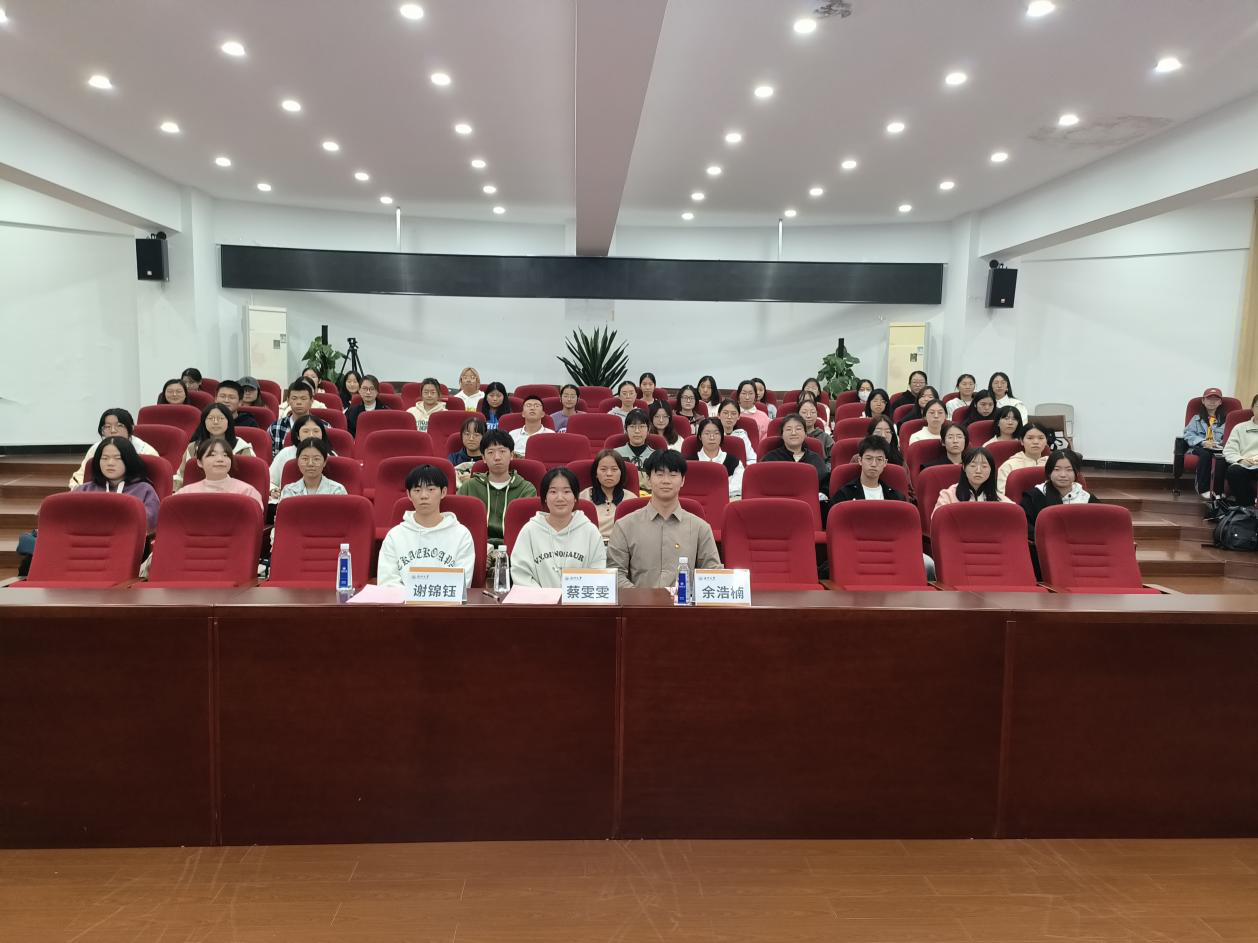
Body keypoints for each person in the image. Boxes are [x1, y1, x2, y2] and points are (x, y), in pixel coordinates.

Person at [607, 450, 721, 589]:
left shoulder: (700, 528)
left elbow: (713, 574)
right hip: (639, 601)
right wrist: (641, 598)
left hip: (684, 602)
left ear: (683, 480)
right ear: (648, 479)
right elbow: (615, 574)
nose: (666, 481)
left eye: (673, 475)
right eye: (659, 474)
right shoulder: (625, 526)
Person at [378, 464, 476, 589]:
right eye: (417, 490)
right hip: (402, 602)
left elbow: (461, 584)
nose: (424, 496)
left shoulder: (461, 535)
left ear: (443, 492)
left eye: (431, 489)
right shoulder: (395, 536)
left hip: (446, 601)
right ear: (409, 495)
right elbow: (387, 583)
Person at [510, 468, 607, 587]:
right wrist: (544, 597)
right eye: (553, 492)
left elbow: (598, 573)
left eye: (566, 491)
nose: (560, 498)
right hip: (538, 598)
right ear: (545, 497)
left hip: (579, 598)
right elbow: (521, 574)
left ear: (575, 497)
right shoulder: (530, 530)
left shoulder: (590, 531)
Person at [457, 429, 536, 545]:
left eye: (502, 451)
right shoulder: (469, 487)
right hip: (475, 546)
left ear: (512, 455)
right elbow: (458, 526)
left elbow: (529, 531)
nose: (497, 457)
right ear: (483, 458)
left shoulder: (526, 490)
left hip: (514, 547)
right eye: (490, 452)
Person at [74, 437, 160, 532]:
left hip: (129, 539)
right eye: (105, 458)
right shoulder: (84, 490)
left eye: (118, 458)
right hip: (88, 538)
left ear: (129, 460)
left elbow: (150, 524)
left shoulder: (144, 490)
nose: (110, 463)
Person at [1021, 448, 1096, 541]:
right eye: (1057, 469)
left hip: (1080, 545)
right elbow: (1024, 526)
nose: (1063, 475)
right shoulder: (1034, 496)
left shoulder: (1087, 498)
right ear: (1049, 472)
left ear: (1076, 473)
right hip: (1045, 546)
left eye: (1069, 470)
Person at [68, 408, 156, 488]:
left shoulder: (145, 451)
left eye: (119, 425)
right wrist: (80, 489)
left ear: (131, 428)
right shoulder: (95, 449)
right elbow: (80, 476)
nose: (113, 430)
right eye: (107, 426)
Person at [175, 403, 255, 490]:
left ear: (229, 422)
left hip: (235, 492)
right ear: (204, 422)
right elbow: (181, 476)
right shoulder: (193, 447)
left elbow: (251, 477)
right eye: (210, 418)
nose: (215, 422)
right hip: (199, 492)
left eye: (220, 418)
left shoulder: (242, 448)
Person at [179, 437, 264, 510]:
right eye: (212, 455)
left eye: (225, 455)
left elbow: (254, 521)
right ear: (200, 462)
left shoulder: (247, 492)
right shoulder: (186, 493)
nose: (220, 459)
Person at [932, 447, 1011, 515]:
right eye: (973, 466)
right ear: (964, 467)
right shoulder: (948, 496)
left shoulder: (999, 499)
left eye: (984, 466)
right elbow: (938, 520)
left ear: (991, 470)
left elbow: (1014, 514)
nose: (978, 471)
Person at [760, 413, 828, 493]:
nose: (793, 433)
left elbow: (824, 487)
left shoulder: (815, 459)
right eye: (788, 429)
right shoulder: (770, 459)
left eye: (798, 429)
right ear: (782, 435)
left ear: (805, 434)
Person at [269, 414, 330, 501]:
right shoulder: (285, 454)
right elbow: (270, 481)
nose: (311, 435)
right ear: (297, 435)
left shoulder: (330, 455)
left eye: (316, 431)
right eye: (306, 431)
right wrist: (273, 490)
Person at [830, 436, 908, 503]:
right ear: (860, 460)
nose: (874, 464)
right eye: (869, 458)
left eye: (879, 459)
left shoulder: (896, 497)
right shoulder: (844, 495)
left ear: (885, 463)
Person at [1184, 387, 1228, 498]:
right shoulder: (1196, 419)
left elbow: (1229, 436)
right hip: (1199, 447)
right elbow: (1188, 435)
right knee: (1205, 454)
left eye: (1215, 399)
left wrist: (1219, 444)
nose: (1212, 402)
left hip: (1218, 447)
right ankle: (1203, 489)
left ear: (1220, 402)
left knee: (1221, 458)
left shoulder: (1226, 420)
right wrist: (1203, 442)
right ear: (1203, 401)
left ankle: (1218, 491)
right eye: (1209, 399)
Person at [687, 417, 743, 498]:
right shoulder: (689, 463)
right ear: (700, 437)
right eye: (707, 433)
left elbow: (737, 488)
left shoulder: (735, 463)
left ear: (721, 436)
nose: (712, 437)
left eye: (716, 433)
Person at [579, 449, 630, 541]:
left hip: (621, 545)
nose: (609, 474)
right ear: (596, 473)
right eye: (603, 469)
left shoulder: (631, 499)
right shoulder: (583, 497)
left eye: (614, 469)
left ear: (621, 473)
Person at [277, 437, 347, 500]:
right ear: (298, 461)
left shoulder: (337, 491)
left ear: (324, 462)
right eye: (305, 459)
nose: (310, 464)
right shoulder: (289, 491)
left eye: (316, 459)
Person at [996, 421, 1052, 498]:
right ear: (1022, 441)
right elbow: (1001, 494)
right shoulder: (1009, 465)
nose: (1036, 442)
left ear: (1046, 441)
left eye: (1041, 438)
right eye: (1030, 438)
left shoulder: (1053, 464)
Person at [1223, 394, 1258, 507]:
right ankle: (1247, 507)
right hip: (1245, 465)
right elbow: (1229, 450)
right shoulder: (1240, 428)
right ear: (1252, 408)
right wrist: (1241, 460)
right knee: (1234, 471)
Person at [269, 380, 316, 453]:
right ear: (288, 401)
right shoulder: (275, 427)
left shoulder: (323, 427)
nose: (299, 402)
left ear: (311, 401)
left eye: (303, 398)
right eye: (294, 398)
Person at [449, 415, 487, 485]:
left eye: (476, 435)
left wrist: (474, 479)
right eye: (467, 434)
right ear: (462, 436)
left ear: (484, 437)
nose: (471, 438)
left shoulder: (488, 460)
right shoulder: (453, 458)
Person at [716, 399, 756, 464]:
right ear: (718, 415)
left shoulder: (741, 435)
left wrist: (740, 468)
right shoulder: (712, 434)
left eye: (733, 413)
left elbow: (752, 459)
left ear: (738, 416)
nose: (729, 417)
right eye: (725, 413)